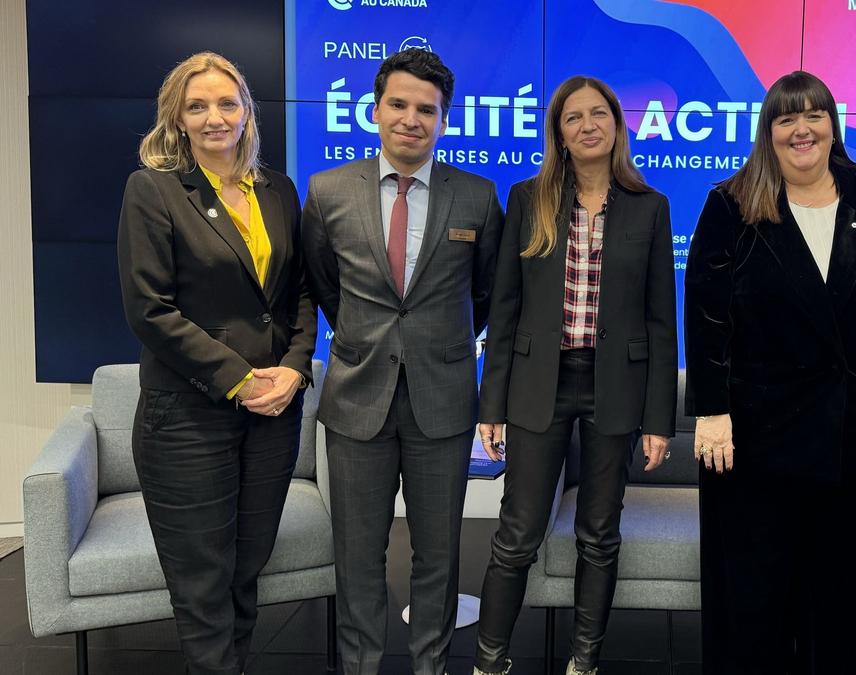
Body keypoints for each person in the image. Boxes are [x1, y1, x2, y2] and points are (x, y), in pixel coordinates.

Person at [684, 70, 856, 674]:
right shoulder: (732, 202)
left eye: (814, 115)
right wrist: (711, 411)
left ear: (832, 124)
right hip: (754, 434)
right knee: (755, 598)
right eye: (787, 118)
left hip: (849, 429)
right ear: (769, 131)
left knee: (843, 596)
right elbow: (706, 316)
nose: (801, 129)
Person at [301, 48, 503, 675]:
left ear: (444, 119)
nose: (411, 119)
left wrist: (436, 343)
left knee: (438, 555)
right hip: (356, 398)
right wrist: (367, 339)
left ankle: (430, 667)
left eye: (426, 109)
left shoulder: (477, 197)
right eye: (398, 104)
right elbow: (323, 285)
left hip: (442, 401)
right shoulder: (328, 190)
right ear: (376, 108)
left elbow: (487, 294)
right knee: (358, 555)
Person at [116, 51, 316, 675]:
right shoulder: (153, 189)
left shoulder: (278, 190)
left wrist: (296, 367)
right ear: (176, 117)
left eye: (227, 103)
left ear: (247, 111)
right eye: (197, 106)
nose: (214, 118)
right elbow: (150, 310)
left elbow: (301, 292)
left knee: (245, 572)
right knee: (203, 588)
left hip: (273, 413)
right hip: (187, 418)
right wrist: (239, 379)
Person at [472, 75, 677, 675]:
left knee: (599, 533)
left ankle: (583, 663)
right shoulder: (527, 198)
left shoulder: (650, 206)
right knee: (517, 533)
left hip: (617, 386)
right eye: (573, 117)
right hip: (540, 383)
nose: (588, 125)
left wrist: (658, 419)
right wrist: (491, 405)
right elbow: (505, 310)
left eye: (599, 114)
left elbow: (661, 321)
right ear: (559, 134)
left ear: (616, 124)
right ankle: (489, 662)